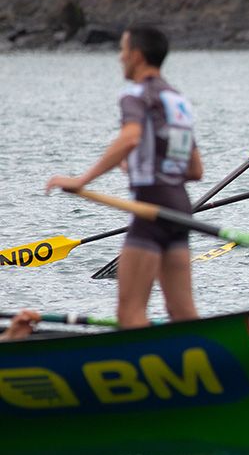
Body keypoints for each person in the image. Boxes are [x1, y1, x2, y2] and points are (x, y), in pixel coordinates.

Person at [45, 25, 201, 329]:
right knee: (183, 314)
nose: (120, 58)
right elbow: (195, 170)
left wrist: (81, 180)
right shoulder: (177, 100)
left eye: (123, 50)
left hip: (151, 209)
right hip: (180, 208)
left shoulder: (136, 94)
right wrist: (138, 164)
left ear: (137, 56)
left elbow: (130, 137)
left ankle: (145, 375)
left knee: (129, 314)